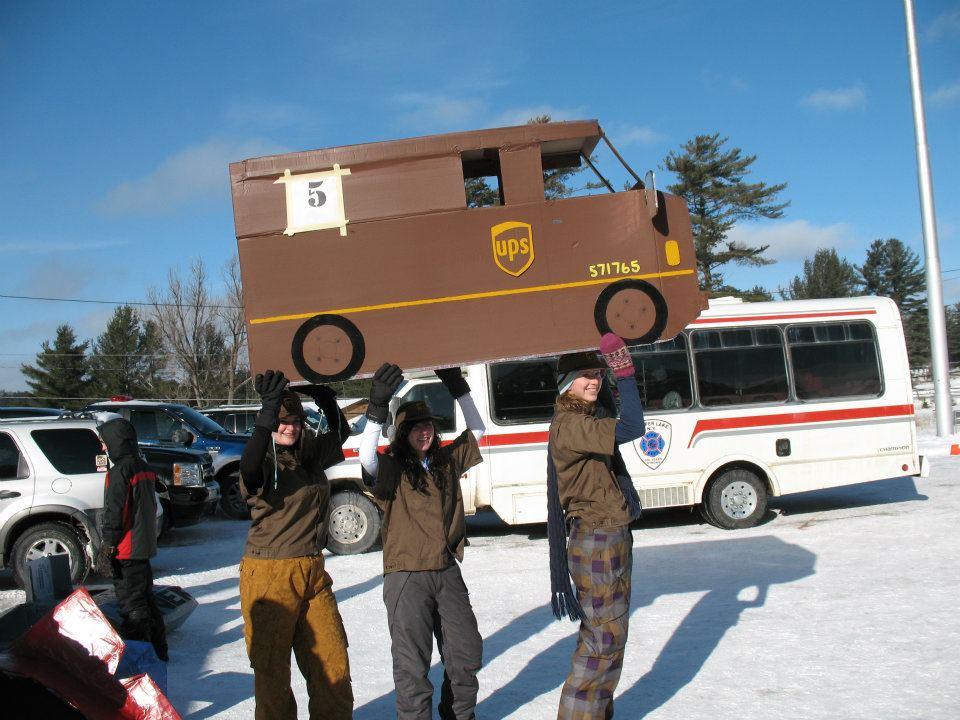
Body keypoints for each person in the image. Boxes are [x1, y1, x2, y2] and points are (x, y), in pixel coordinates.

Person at [359, 363, 486, 720]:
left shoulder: (445, 461)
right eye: (414, 427)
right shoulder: (393, 469)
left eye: (428, 424)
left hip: (446, 571)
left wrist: (457, 387)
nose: (424, 431)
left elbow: (478, 429)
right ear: (401, 433)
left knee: (466, 656)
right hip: (407, 577)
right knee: (412, 669)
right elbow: (366, 460)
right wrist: (375, 409)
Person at [237, 370, 353, 720]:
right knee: (272, 674)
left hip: (313, 572)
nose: (290, 427)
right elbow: (248, 468)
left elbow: (341, 433)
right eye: (283, 422)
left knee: (333, 665)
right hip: (269, 575)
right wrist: (266, 413)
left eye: (296, 422)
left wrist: (323, 395)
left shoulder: (308, 456)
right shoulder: (265, 460)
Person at [547, 333, 645, 720]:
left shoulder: (585, 418)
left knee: (610, 640)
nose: (594, 380)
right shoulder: (571, 424)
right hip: (597, 538)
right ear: (566, 383)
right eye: (585, 374)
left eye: (597, 373)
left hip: (610, 535)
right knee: (602, 642)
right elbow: (633, 426)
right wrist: (624, 373)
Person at [95, 417, 168, 662]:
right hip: (143, 546)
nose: (103, 448)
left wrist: (107, 545)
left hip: (126, 549)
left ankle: (140, 656)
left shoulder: (119, 472)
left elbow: (116, 510)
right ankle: (159, 650)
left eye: (105, 442)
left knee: (132, 605)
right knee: (146, 599)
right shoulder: (143, 467)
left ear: (116, 442)